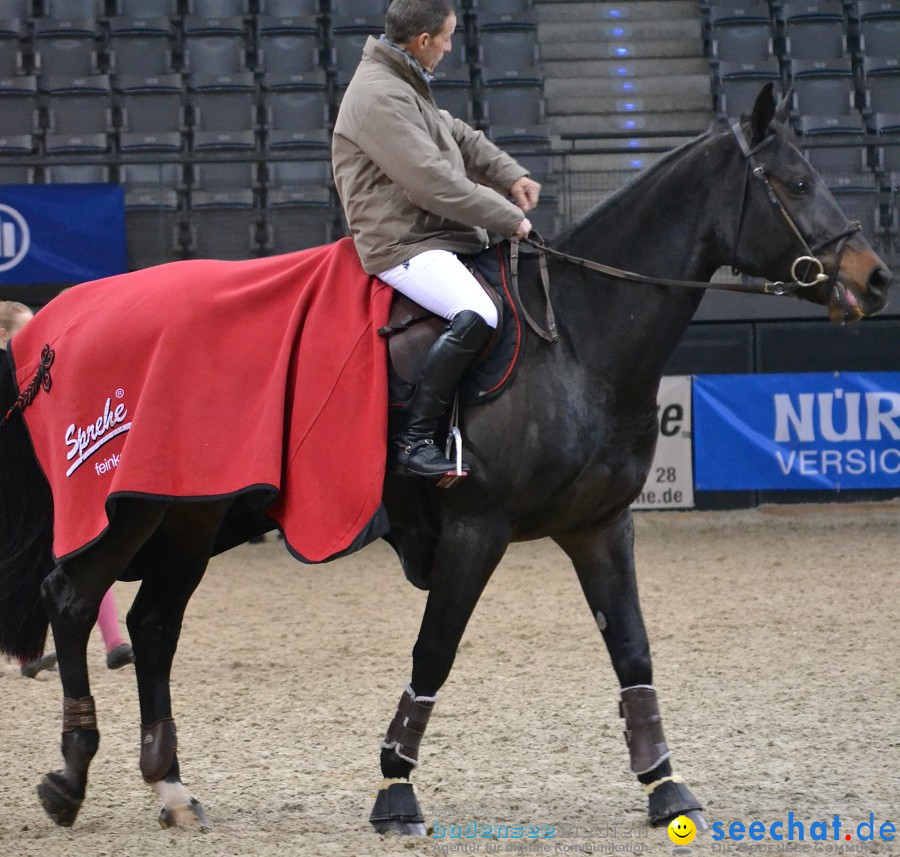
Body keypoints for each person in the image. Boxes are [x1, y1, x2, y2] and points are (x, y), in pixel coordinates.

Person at [332, 0, 541, 478]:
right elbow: (432, 183)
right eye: (445, 38)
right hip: (402, 243)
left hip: (435, 233)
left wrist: (508, 173)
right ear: (422, 40)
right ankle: (416, 438)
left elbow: (457, 134)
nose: (449, 48)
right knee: (479, 312)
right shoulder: (380, 95)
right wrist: (507, 217)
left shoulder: (402, 79)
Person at [1, 301, 134, 677]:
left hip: (43, 476)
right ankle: (30, 652)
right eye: (25, 330)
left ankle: (114, 642)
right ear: (3, 335)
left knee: (84, 548)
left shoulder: (34, 370)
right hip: (16, 487)